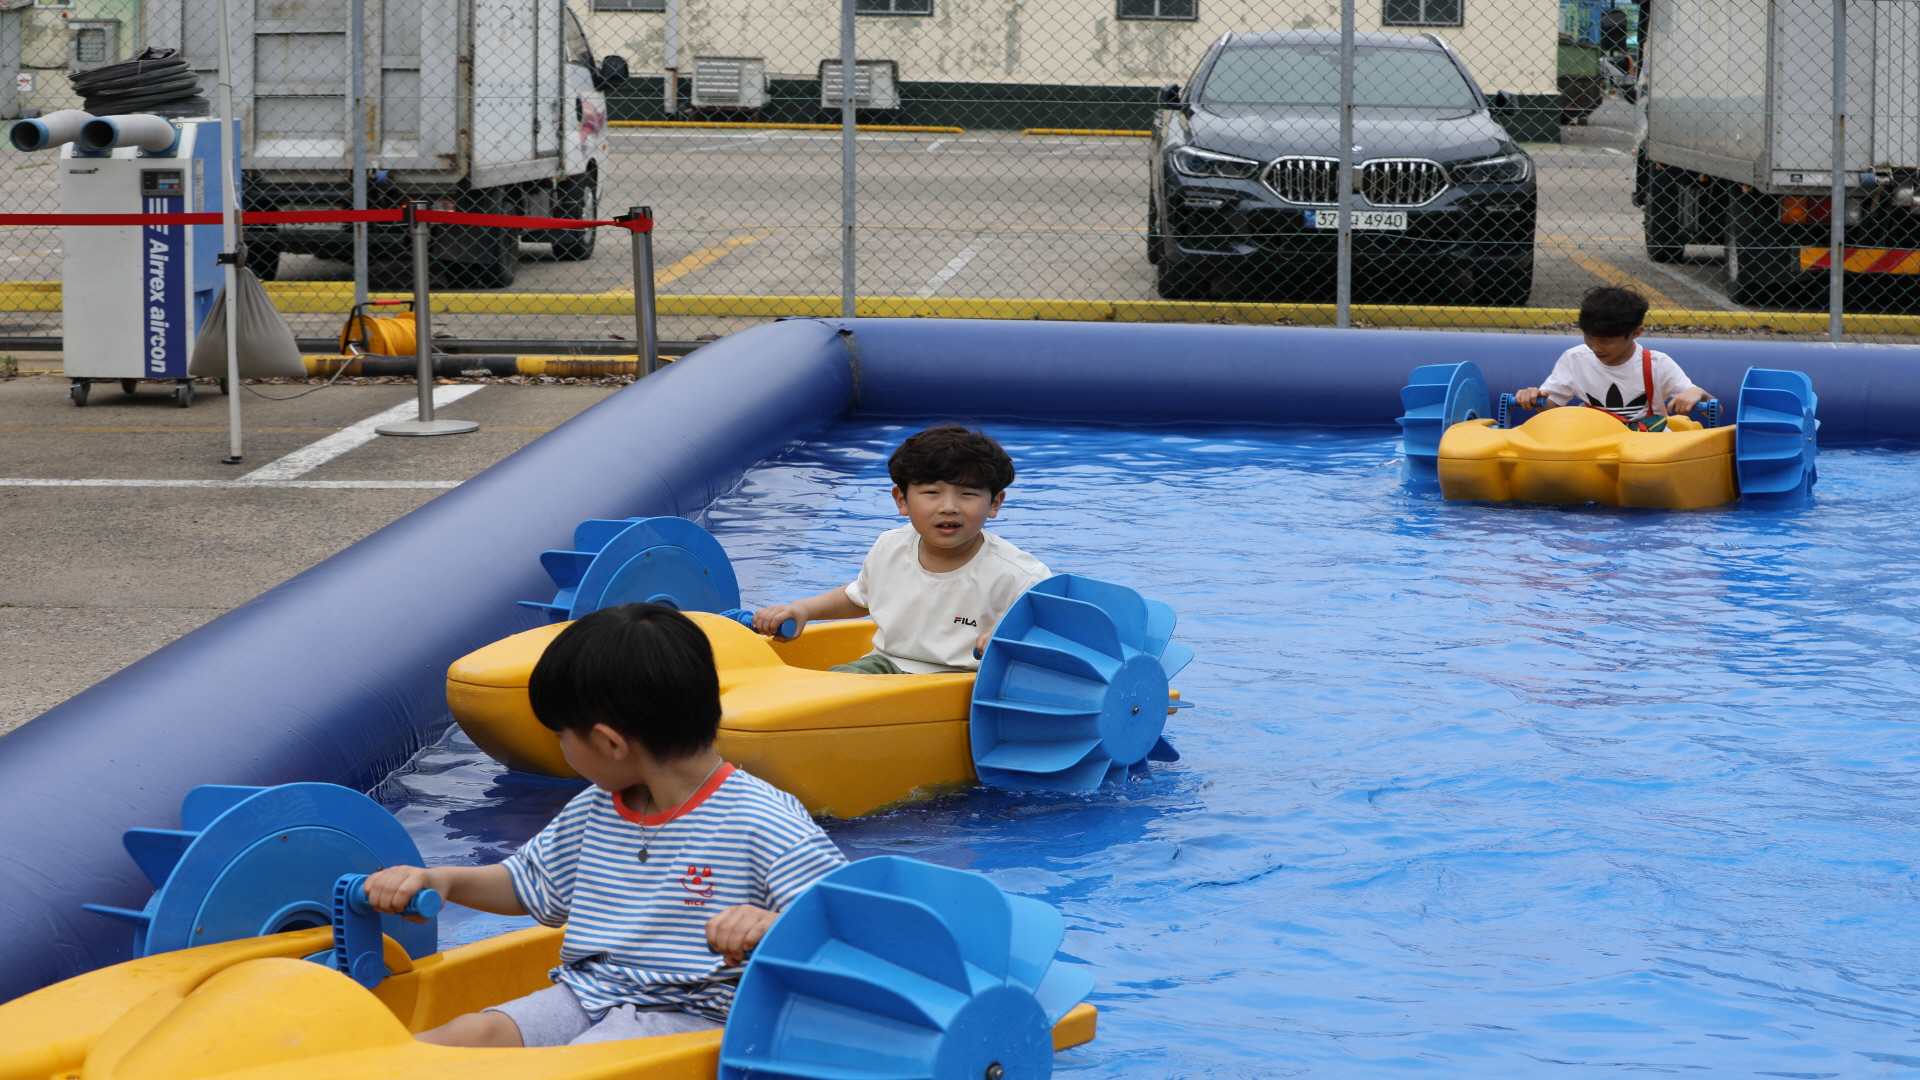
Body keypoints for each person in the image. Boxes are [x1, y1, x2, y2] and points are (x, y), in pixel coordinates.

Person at [362, 602, 845, 1047]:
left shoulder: (763, 820)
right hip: (588, 993)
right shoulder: (597, 807)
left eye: (561, 737)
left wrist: (772, 925)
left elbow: (846, 929)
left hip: (698, 1016)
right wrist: (444, 880)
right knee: (473, 1033)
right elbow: (529, 883)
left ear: (610, 743)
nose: (561, 750)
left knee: (579, 1062)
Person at [753, 424, 1048, 674]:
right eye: (932, 492)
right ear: (901, 500)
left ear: (995, 503)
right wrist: (802, 610)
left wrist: (1010, 637)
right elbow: (860, 597)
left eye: (968, 494)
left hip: (967, 680)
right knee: (828, 687)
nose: (949, 507)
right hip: (886, 665)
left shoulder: (1020, 575)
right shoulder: (891, 545)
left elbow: (1055, 632)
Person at [1514, 285, 1711, 430]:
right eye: (1589, 337)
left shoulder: (1657, 364)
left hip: (1647, 443)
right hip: (1592, 438)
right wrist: (1535, 398)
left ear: (1636, 333)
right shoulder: (1575, 358)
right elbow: (1553, 407)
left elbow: (1715, 411)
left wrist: (1699, 394)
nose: (1595, 347)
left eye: (1605, 341)